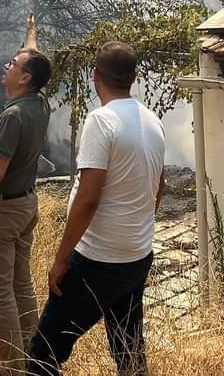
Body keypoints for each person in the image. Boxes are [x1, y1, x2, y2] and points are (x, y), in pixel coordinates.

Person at [27, 42, 165, 376]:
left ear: (94, 77)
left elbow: (88, 197)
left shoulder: (101, 122)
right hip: (136, 256)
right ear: (134, 77)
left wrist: (61, 259)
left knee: (43, 352)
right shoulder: (152, 121)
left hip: (98, 261)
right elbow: (158, 189)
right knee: (128, 348)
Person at [0, 14, 52, 370]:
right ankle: (32, 356)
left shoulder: (12, 117)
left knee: (0, 292)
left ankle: (13, 365)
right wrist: (30, 32)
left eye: (13, 64)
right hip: (27, 205)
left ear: (25, 78)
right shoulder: (39, 103)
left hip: (3, 212)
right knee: (22, 284)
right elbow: (32, 54)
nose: (7, 65)